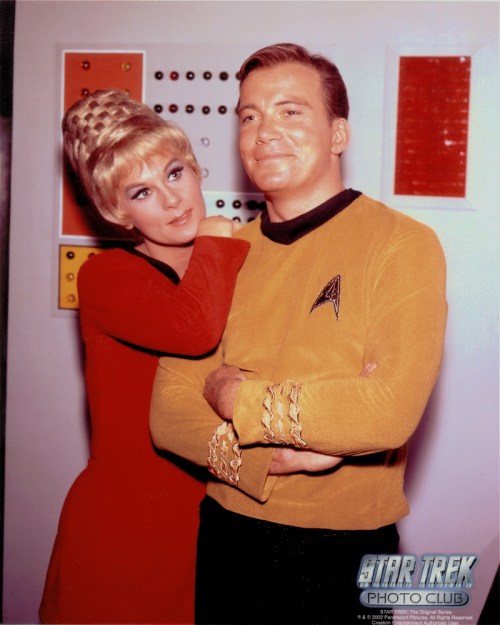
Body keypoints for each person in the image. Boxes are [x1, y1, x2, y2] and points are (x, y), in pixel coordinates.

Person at [150, 43, 448, 625]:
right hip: (227, 536)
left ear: (338, 134)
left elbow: (386, 410)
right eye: (250, 116)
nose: (264, 132)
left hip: (345, 549)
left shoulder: (401, 243)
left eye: (290, 111)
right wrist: (276, 458)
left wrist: (235, 396)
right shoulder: (221, 253)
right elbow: (168, 415)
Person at [39, 89, 250, 624]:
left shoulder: (228, 261)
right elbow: (194, 328)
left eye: (175, 173)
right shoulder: (106, 276)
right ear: (117, 210)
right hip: (128, 525)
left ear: (196, 170)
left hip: (211, 512)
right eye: (143, 191)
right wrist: (218, 239)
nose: (172, 200)